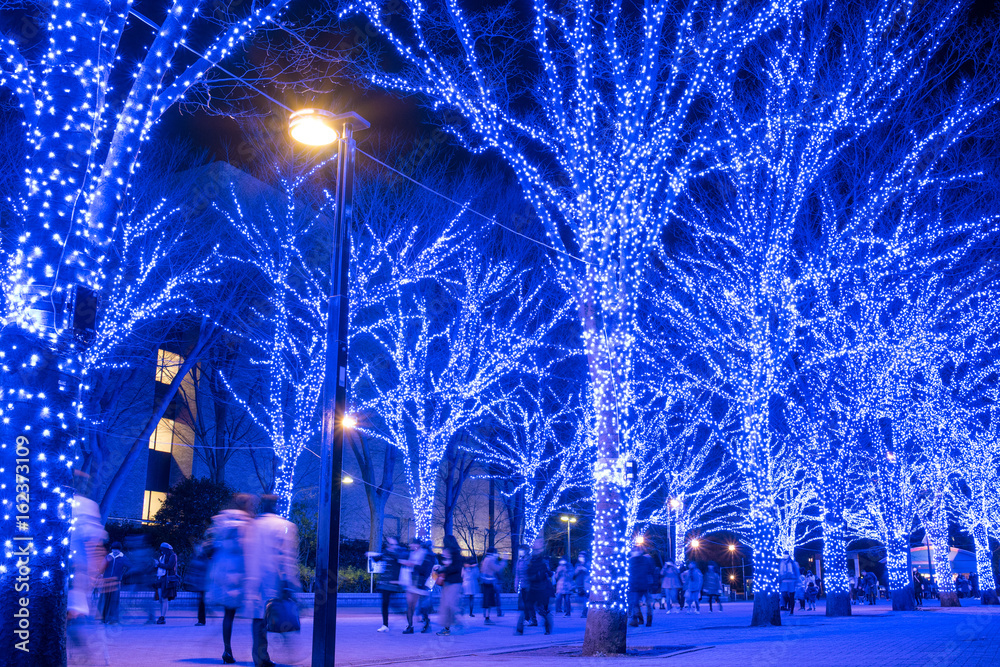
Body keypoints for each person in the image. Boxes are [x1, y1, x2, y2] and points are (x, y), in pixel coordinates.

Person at [245, 494, 301, 667]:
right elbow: (287, 557)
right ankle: (289, 653)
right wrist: (289, 580)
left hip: (255, 580)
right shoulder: (284, 526)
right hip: (274, 580)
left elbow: (247, 553)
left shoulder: (252, 525)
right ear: (276, 506)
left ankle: (260, 658)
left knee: (258, 620)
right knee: (281, 616)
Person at [207, 492, 255, 665]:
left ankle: (227, 649)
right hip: (243, 573)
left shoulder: (223, 520)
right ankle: (259, 652)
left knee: (229, 614)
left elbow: (212, 545)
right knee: (257, 614)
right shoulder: (248, 523)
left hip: (224, 573)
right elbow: (249, 549)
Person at [516, 538, 553, 635]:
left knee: (539, 608)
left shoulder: (540, 559)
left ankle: (547, 625)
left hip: (539, 588)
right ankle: (520, 629)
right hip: (531, 587)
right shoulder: (530, 559)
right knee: (526, 607)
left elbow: (547, 573)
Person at [369, 537, 406, 632]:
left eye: (394, 544)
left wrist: (397, 580)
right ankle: (385, 625)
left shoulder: (399, 553)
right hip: (385, 583)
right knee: (385, 603)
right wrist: (371, 555)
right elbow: (378, 559)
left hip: (394, 583)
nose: (392, 546)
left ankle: (406, 619)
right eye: (390, 544)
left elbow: (399, 562)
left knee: (394, 604)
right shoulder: (386, 552)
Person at [400, 538, 435, 634]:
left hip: (420, 582)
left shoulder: (425, 554)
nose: (411, 546)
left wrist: (412, 564)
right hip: (411, 580)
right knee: (410, 605)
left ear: (418, 545)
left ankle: (427, 624)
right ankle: (410, 626)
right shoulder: (411, 554)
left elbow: (425, 569)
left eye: (413, 544)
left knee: (422, 606)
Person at [437, 536, 465, 636]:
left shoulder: (457, 555)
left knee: (451, 604)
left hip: (454, 583)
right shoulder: (446, 553)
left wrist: (444, 568)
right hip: (447, 582)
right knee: (445, 607)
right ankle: (446, 628)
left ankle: (458, 622)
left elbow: (456, 568)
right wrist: (441, 567)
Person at [100, 542, 129, 624]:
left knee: (114, 600)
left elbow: (129, 566)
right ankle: (104, 618)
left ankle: (114, 618)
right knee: (106, 600)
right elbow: (102, 567)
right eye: (113, 549)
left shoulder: (123, 558)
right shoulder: (108, 557)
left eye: (117, 549)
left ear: (119, 550)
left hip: (116, 582)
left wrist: (122, 575)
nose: (115, 551)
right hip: (106, 581)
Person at [154, 543, 179, 624]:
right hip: (160, 578)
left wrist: (158, 564)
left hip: (166, 579)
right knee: (160, 599)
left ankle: (162, 617)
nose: (161, 551)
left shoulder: (173, 556)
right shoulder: (162, 556)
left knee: (164, 598)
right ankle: (162, 616)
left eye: (163, 549)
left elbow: (169, 566)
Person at [186, 541, 210, 626]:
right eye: (196, 548)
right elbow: (192, 569)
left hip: (203, 583)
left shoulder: (203, 557)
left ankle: (201, 620)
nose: (197, 549)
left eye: (198, 548)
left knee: (201, 602)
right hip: (199, 583)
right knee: (200, 602)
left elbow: (206, 569)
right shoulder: (196, 557)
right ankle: (201, 619)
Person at [479, 548, 506, 624]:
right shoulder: (490, 560)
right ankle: (487, 618)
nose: (496, 554)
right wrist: (503, 561)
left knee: (487, 600)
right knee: (488, 600)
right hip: (489, 582)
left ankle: (486, 616)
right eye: (495, 553)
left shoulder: (485, 559)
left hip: (485, 582)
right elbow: (497, 569)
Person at [514, 544, 537, 626]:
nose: (520, 552)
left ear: (526, 551)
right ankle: (528, 619)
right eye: (520, 550)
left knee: (529, 603)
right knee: (525, 603)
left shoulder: (531, 560)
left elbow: (534, 572)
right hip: (523, 585)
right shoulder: (519, 561)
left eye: (522, 550)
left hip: (531, 585)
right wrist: (516, 585)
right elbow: (517, 574)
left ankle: (533, 619)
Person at [573, 553, 590, 618]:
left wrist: (585, 569)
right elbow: (574, 574)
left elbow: (591, 573)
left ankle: (584, 613)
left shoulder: (588, 564)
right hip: (579, 584)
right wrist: (577, 570)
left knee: (586, 599)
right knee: (581, 599)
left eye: (582, 556)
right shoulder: (577, 565)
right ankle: (585, 611)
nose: (580, 558)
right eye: (579, 556)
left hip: (587, 584)